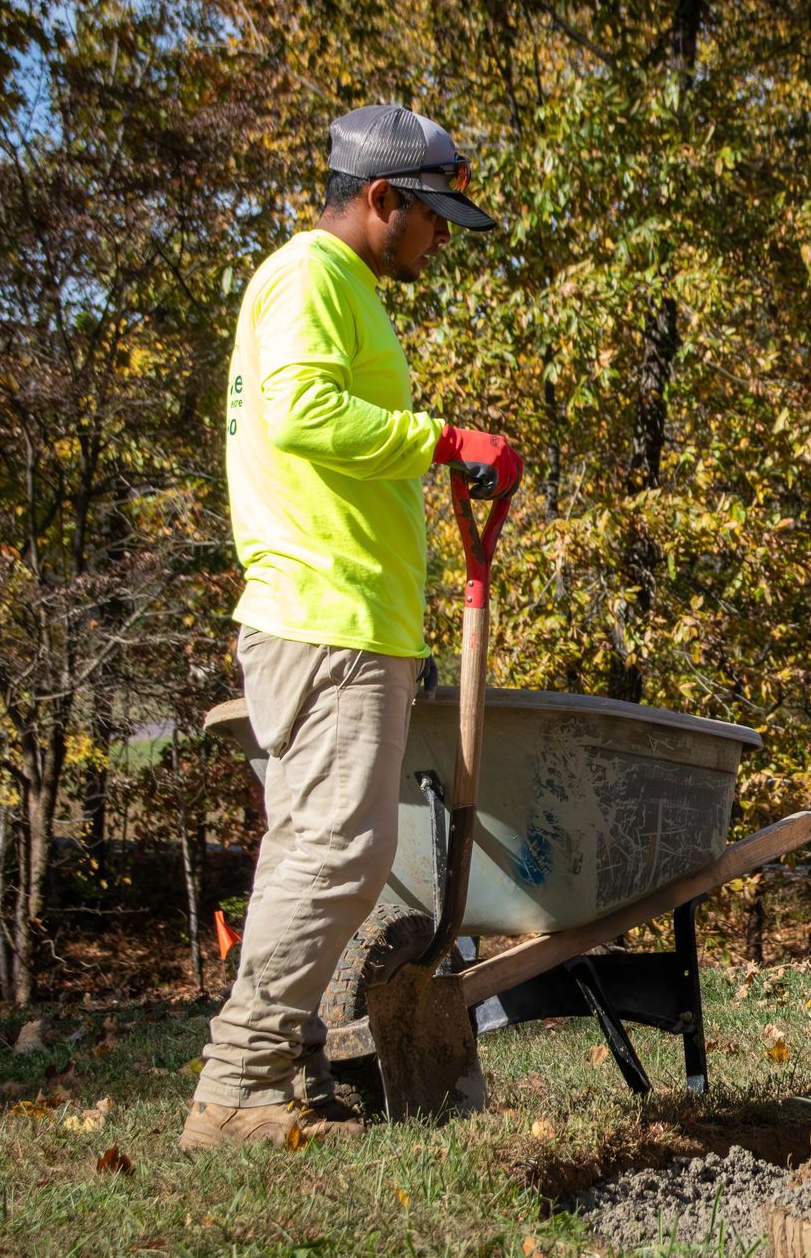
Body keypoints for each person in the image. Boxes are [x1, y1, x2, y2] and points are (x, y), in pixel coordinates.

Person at [181, 104, 524, 1151]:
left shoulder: (335, 288)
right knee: (341, 851)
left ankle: (275, 1074)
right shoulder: (312, 278)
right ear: (382, 199)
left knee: (311, 853)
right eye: (432, 220)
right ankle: (238, 1088)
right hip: (326, 616)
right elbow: (301, 413)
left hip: (334, 614)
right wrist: (444, 439)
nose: (439, 241)